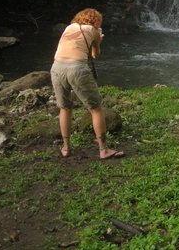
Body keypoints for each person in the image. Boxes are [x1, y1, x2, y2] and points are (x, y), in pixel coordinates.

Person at [50, 8, 124, 160]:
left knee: (64, 108)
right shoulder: (93, 30)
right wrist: (99, 40)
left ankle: (66, 147)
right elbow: (94, 55)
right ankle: (103, 150)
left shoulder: (68, 28)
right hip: (77, 68)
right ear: (96, 21)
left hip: (56, 68)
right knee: (96, 109)